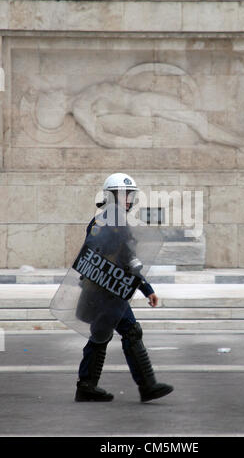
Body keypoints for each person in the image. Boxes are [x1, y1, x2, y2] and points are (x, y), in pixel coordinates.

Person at [75, 173, 174, 403]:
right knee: (128, 331)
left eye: (130, 194)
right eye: (123, 194)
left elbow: (128, 259)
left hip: (112, 289)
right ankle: (146, 386)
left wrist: (146, 288)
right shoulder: (103, 222)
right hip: (103, 291)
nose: (128, 199)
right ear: (110, 196)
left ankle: (87, 386)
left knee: (101, 335)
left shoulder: (118, 222)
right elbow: (98, 254)